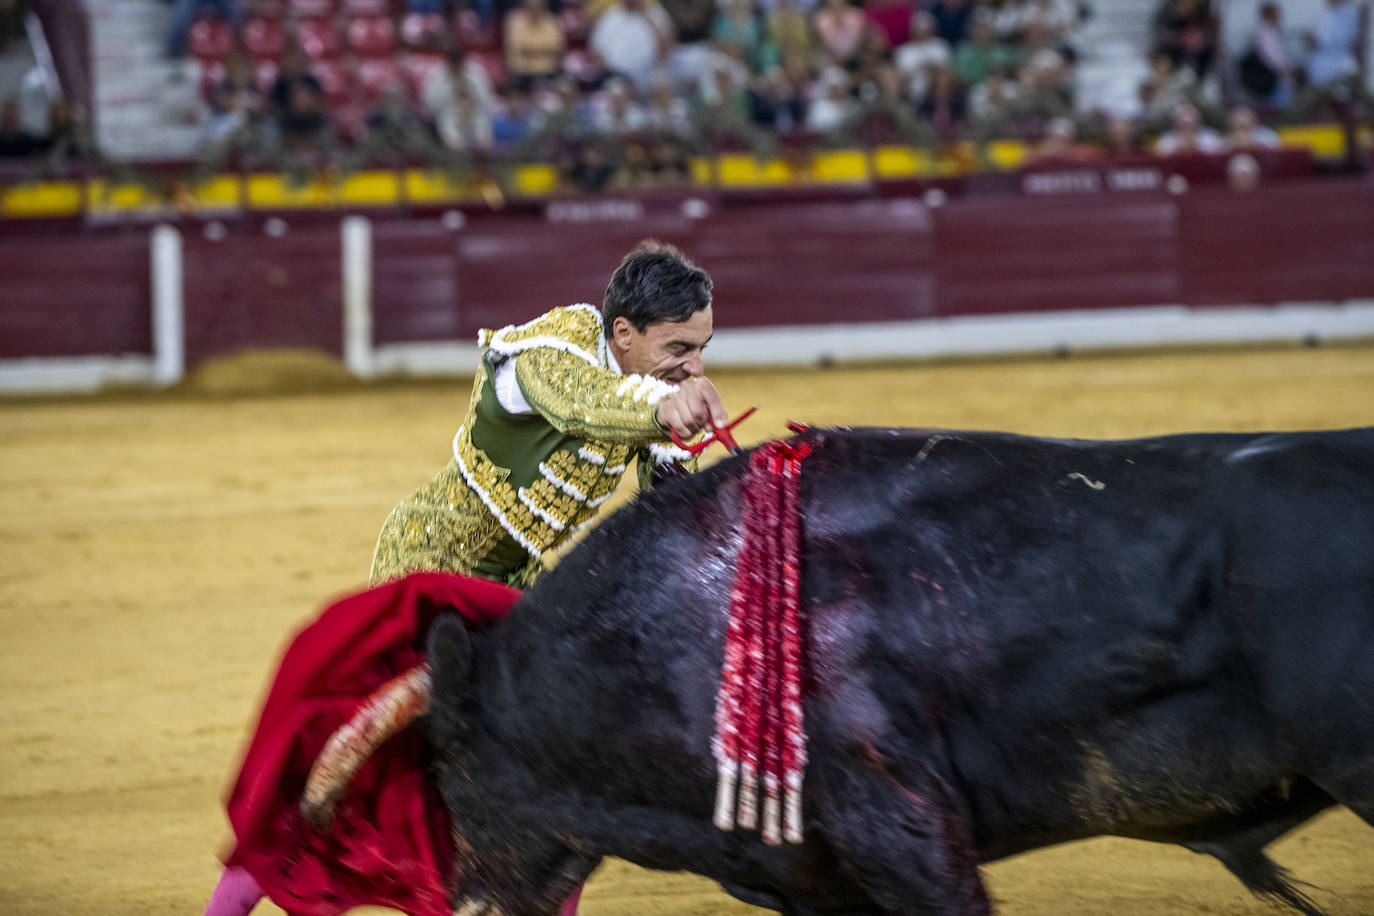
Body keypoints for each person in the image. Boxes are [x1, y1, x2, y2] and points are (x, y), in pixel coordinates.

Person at [202, 242, 730, 916]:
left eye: (702, 346)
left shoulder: (651, 392)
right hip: (429, 572)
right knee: (355, 767)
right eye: (679, 345)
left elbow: (668, 516)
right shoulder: (551, 350)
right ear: (622, 333)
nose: (694, 364)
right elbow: (577, 403)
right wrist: (661, 411)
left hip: (518, 603)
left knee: (546, 785)